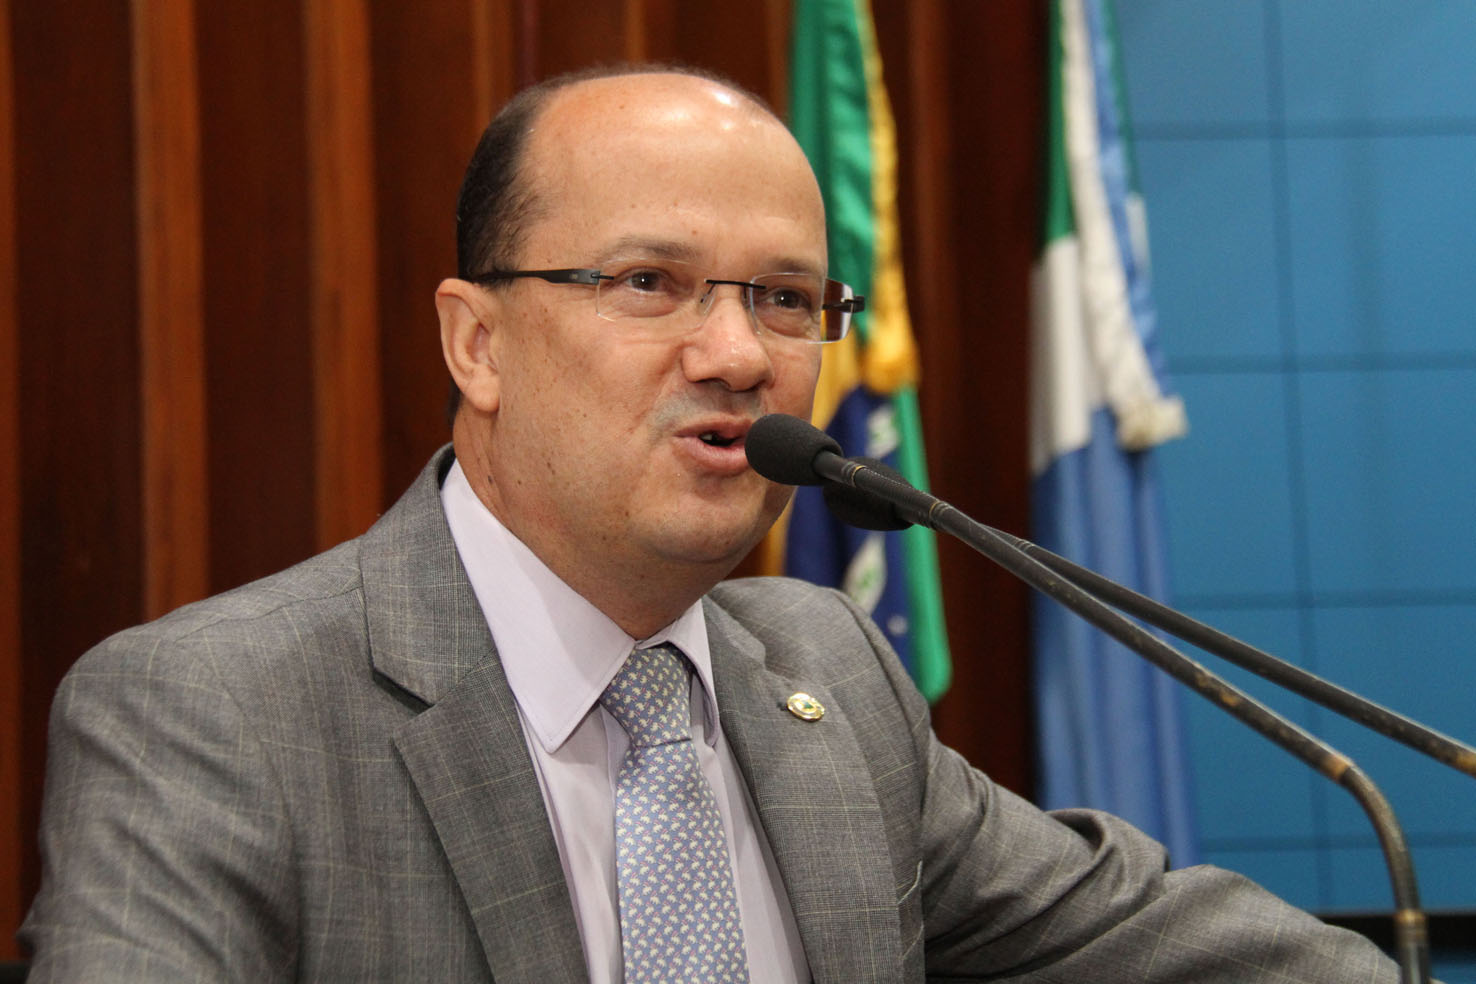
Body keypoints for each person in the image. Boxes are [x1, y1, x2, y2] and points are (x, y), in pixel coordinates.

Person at [20, 65, 1402, 983]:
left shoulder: (823, 667)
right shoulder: (216, 714)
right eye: (649, 282)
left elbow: (1149, 938)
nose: (739, 355)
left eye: (786, 300)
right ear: (477, 344)